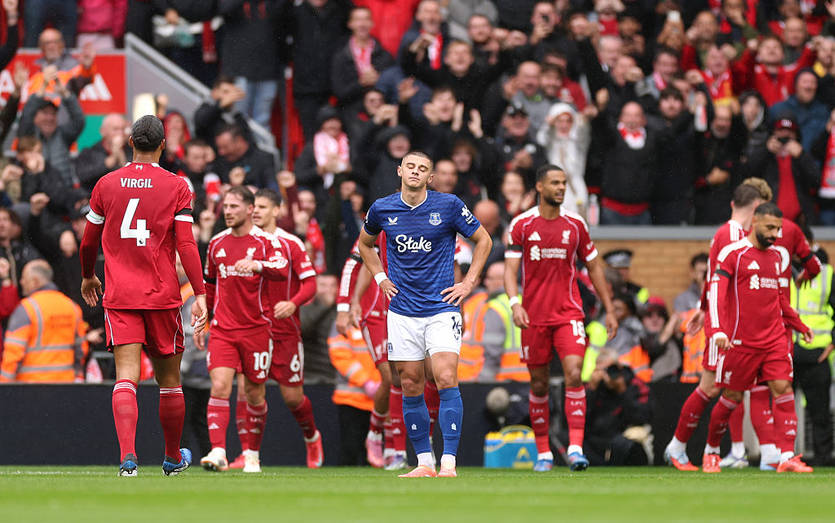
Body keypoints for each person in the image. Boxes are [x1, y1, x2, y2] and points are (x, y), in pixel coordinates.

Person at [79, 115, 208, 477]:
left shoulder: (106, 184)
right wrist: (200, 293)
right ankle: (170, 458)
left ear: (130, 143)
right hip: (162, 295)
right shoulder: (177, 186)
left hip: (120, 294)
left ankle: (128, 460)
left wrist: (89, 276)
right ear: (163, 146)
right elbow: (186, 242)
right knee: (169, 380)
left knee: (126, 377)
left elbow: (88, 241)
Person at [358, 150, 492, 478]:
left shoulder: (447, 205)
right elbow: (365, 244)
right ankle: (424, 463)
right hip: (402, 311)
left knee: (446, 377)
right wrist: (380, 277)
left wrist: (470, 282)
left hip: (441, 308)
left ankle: (449, 462)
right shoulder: (382, 208)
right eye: (411, 167)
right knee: (410, 383)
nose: (416, 172)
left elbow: (483, 240)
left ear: (430, 178)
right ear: (400, 171)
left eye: (423, 169)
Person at [503, 164, 618, 472]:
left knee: (574, 371)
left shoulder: (576, 224)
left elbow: (594, 268)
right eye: (554, 183)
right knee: (539, 384)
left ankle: (576, 449)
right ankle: (543, 454)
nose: (561, 188)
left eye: (564, 183)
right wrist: (515, 304)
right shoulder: (521, 224)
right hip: (534, 317)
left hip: (568, 313)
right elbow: (510, 271)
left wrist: (607, 308)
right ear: (539, 187)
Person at [703, 202, 813, 474]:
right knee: (731, 398)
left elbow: (779, 298)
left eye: (778, 228)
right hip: (741, 342)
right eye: (770, 227)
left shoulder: (777, 257)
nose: (775, 234)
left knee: (783, 389)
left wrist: (798, 324)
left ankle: (787, 455)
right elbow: (716, 294)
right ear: (754, 221)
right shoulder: (733, 253)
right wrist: (718, 330)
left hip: (774, 339)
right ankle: (712, 450)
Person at [664, 182, 765, 471]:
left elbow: (713, 278)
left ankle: (709, 451)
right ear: (756, 208)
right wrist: (711, 316)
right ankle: (685, 447)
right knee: (711, 388)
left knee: (730, 390)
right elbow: (722, 281)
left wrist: (701, 308)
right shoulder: (733, 235)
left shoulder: (728, 233)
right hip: (727, 328)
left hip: (730, 324)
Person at [196, 186, 289, 473]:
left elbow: (283, 267)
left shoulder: (266, 242)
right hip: (224, 329)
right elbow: (210, 285)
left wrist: (258, 265)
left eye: (234, 206)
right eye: (226, 206)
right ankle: (219, 451)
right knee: (221, 385)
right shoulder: (216, 244)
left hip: (257, 329)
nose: (228, 211)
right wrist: (204, 320)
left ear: (250, 209)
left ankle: (251, 454)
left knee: (254, 394)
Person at [248, 188, 322, 470]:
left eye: (263, 207)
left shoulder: (291, 243)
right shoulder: (242, 241)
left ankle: (311, 436)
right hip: (252, 327)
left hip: (285, 330)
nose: (256, 211)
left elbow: (311, 283)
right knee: (249, 390)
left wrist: (293, 303)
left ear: (277, 210)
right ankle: (249, 454)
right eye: (253, 206)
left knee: (292, 397)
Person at [0, 260, 87, 382]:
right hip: (66, 386)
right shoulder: (72, 307)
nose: (21, 282)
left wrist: (4, 387)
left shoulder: (26, 309)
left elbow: (13, 353)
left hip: (31, 387)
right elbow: (81, 350)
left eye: (24, 278)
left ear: (35, 281)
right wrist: (78, 377)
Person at [788, 244, 835, 466]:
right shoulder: (778, 269)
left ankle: (823, 460)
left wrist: (834, 341)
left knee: (820, 412)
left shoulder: (826, 274)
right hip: (785, 351)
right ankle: (780, 457)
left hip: (818, 353)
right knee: (780, 409)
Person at [328, 324, 382, 465]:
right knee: (350, 448)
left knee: (374, 456)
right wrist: (366, 382)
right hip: (351, 399)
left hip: (380, 400)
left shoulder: (383, 316)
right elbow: (340, 355)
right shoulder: (342, 321)